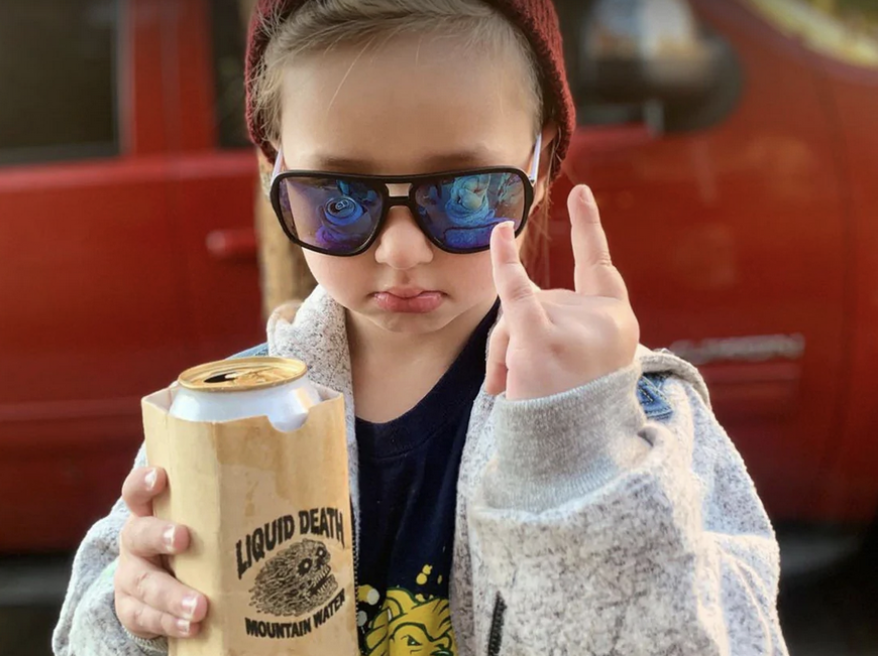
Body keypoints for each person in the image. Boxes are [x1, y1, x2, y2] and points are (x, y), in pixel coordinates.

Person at [53, 1, 790, 654]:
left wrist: (581, 457)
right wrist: (136, 621)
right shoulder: (218, 414)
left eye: (466, 193)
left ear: (540, 167)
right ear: (274, 172)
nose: (400, 251)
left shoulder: (638, 418)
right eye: (338, 198)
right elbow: (90, 628)